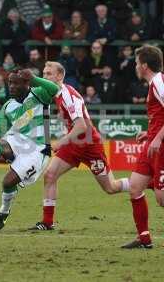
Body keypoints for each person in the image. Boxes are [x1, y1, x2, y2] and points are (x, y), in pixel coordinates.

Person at [29, 62, 129, 230]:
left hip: (90, 145)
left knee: (110, 188)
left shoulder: (68, 94)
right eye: (44, 74)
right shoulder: (57, 95)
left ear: (59, 76)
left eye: (48, 74)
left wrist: (61, 142)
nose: (45, 77)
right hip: (75, 144)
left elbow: (82, 126)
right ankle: (47, 222)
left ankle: (145, 183)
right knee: (50, 175)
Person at [0, 69, 59, 232]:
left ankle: (3, 211)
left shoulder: (39, 95)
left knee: (7, 183)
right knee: (2, 142)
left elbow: (54, 89)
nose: (11, 86)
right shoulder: (8, 106)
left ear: (26, 83)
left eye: (16, 82)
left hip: (37, 150)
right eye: (9, 82)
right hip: (15, 141)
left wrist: (35, 78)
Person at [121, 45, 164, 249]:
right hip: (153, 144)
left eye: (137, 63)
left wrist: (157, 138)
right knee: (136, 186)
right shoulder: (153, 84)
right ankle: (144, 238)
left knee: (162, 199)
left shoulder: (158, 82)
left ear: (144, 65)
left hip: (161, 146)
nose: (135, 66)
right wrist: (150, 134)